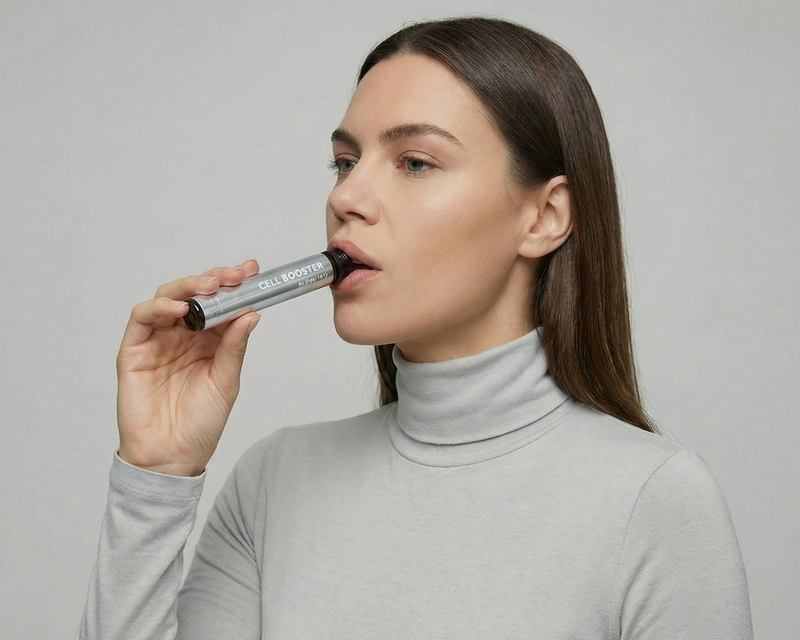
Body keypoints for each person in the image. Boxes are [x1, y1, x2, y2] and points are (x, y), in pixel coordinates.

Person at [77, 16, 753, 639]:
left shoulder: (655, 501)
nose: (345, 197)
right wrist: (156, 474)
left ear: (544, 217)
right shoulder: (273, 484)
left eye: (416, 162)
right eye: (346, 162)